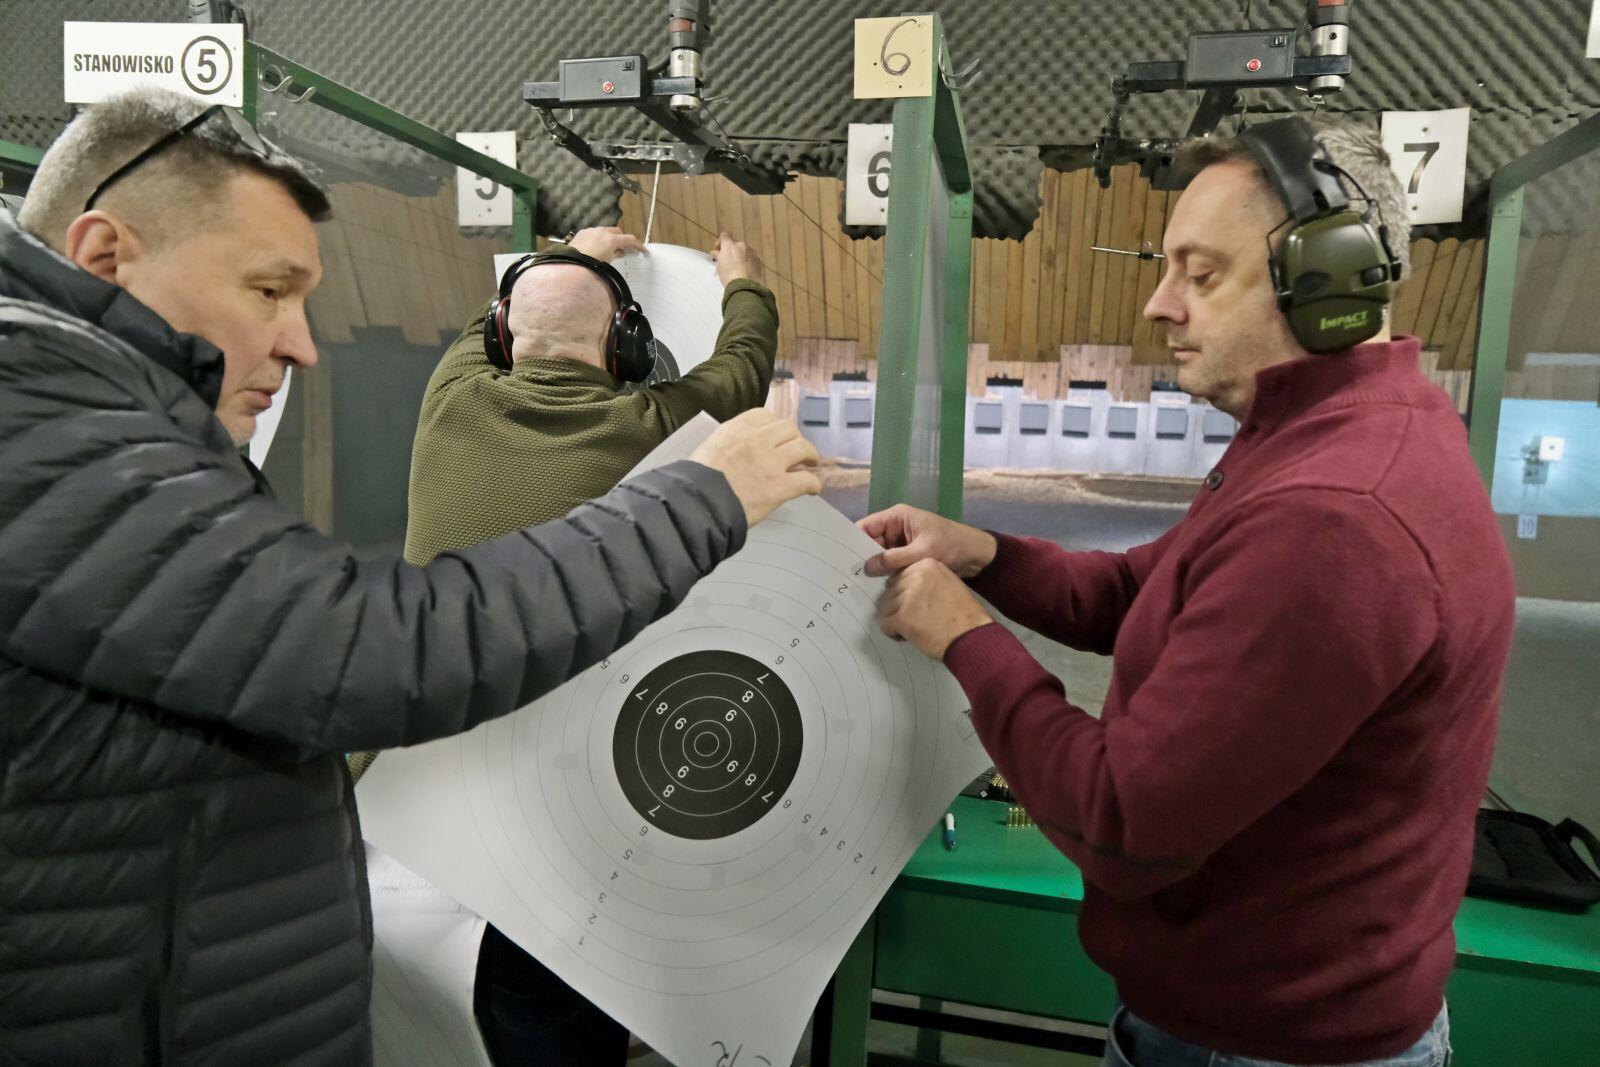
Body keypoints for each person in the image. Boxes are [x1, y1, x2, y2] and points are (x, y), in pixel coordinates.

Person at [0, 87, 819, 1067]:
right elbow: (369, 646)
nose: (302, 341)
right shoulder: (48, 430)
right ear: (105, 256)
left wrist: (564, 263)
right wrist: (704, 492)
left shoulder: (446, 390)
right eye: (268, 290)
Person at [863, 117, 1513, 1066]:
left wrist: (966, 637)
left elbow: (1123, 823)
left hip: (1267, 1043)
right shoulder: (1340, 432)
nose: (1159, 305)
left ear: (1327, 279)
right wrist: (985, 555)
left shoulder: (1334, 514)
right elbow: (1143, 588)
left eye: (1201, 275)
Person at [395, 225, 779, 1064]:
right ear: (625, 347)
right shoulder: (650, 425)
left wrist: (572, 250)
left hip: (404, 800)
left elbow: (489, 322)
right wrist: (743, 282)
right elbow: (744, 367)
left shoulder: (449, 394)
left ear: (502, 333)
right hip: (547, 830)